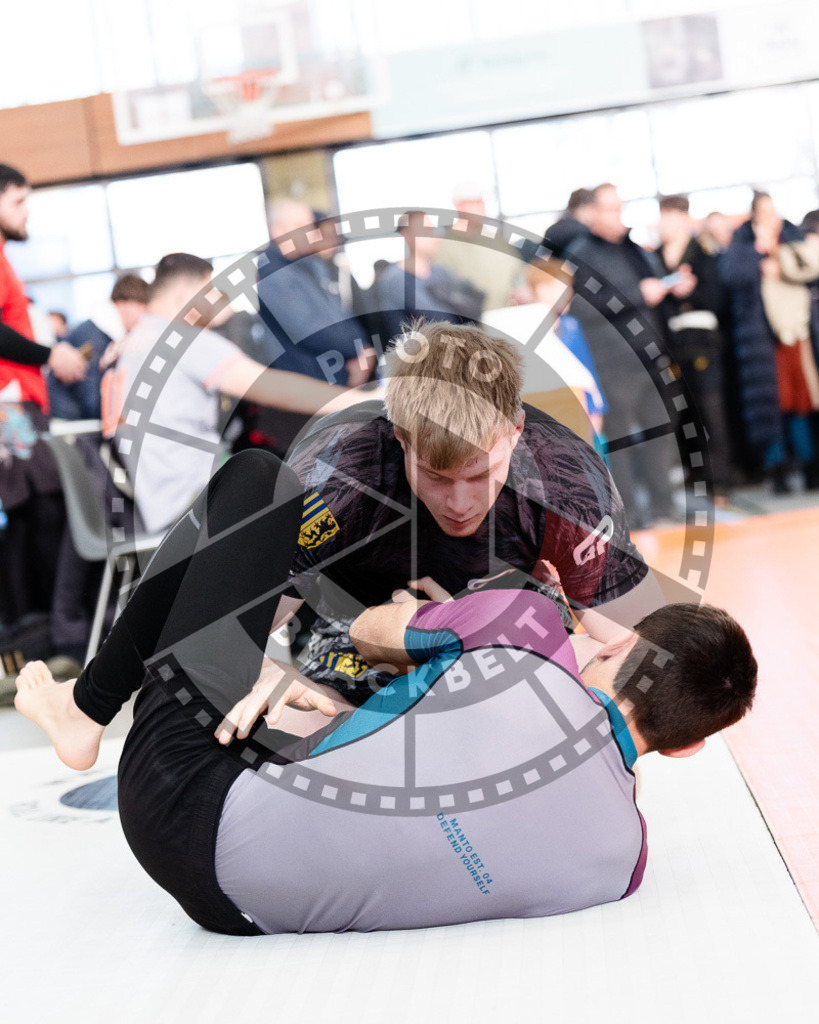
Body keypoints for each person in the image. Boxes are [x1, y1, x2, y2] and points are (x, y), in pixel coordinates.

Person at [14, 448, 758, 935]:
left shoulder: (526, 632)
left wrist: (493, 618)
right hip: (243, 916)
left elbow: (370, 631)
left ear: (622, 641)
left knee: (256, 483)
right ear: (690, 745)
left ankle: (85, 709)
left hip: (177, 806)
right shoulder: (620, 863)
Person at [284, 319, 666, 707]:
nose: (460, 503)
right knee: (296, 718)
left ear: (516, 430)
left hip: (511, 620)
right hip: (354, 630)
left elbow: (642, 647)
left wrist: (477, 640)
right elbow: (237, 633)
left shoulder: (565, 478)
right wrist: (272, 673)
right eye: (436, 476)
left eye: (482, 474)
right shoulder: (335, 475)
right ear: (399, 435)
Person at [100, 252, 378, 537]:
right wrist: (362, 399)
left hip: (160, 503)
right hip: (196, 504)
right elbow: (270, 387)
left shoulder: (129, 344)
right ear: (185, 294)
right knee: (339, 490)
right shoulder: (178, 340)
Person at [566, 183, 695, 527]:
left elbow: (653, 286)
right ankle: (632, 514)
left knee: (661, 431)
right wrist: (637, 294)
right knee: (621, 440)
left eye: (619, 207)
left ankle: (663, 504)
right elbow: (581, 306)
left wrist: (670, 285)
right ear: (592, 212)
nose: (617, 215)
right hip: (613, 361)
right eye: (609, 208)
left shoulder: (632, 249)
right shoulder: (580, 253)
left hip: (650, 357)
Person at [0, 163, 88, 628]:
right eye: (17, 200)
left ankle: (35, 628)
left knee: (37, 512)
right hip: (8, 406)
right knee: (36, 509)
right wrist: (49, 354)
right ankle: (33, 629)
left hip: (18, 403)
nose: (25, 211)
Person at [720, 192, 813, 492]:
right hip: (760, 339)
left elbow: (809, 267)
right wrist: (758, 252)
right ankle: (778, 470)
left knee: (801, 403)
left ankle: (810, 467)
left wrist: (782, 262)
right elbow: (732, 276)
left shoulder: (790, 235)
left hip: (797, 334)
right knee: (770, 406)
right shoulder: (743, 242)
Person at [654, 195, 736, 491]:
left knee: (711, 411)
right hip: (671, 347)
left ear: (682, 217)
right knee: (683, 415)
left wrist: (689, 292)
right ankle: (695, 475)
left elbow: (718, 299)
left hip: (703, 344)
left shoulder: (702, 254)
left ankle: (721, 479)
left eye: (668, 216)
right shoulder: (654, 258)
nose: (663, 223)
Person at [49, 274, 149, 421]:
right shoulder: (95, 337)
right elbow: (91, 398)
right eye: (141, 306)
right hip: (72, 425)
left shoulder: (103, 333)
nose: (145, 315)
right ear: (121, 304)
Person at [375, 211, 483, 343]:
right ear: (406, 235)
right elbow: (437, 318)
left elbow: (473, 307)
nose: (434, 236)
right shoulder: (395, 279)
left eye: (434, 230)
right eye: (426, 231)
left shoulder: (440, 272)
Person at [434, 182, 520, 312]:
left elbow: (518, 273)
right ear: (459, 206)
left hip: (508, 315)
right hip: (473, 326)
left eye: (482, 201)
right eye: (476, 202)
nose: (482, 207)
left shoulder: (496, 239)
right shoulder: (444, 246)